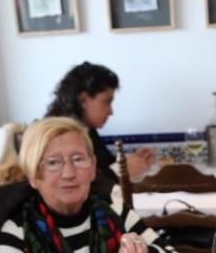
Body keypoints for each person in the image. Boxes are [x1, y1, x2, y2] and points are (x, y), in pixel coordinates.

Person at [0, 117, 191, 253]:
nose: (68, 173)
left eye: (78, 159)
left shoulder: (113, 210)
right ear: (33, 176)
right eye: (53, 162)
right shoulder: (16, 229)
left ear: (93, 167)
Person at [44, 62, 154, 197]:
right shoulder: (58, 136)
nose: (111, 111)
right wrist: (124, 170)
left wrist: (131, 164)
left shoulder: (86, 130)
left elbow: (104, 166)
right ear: (83, 100)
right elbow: (82, 185)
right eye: (107, 102)